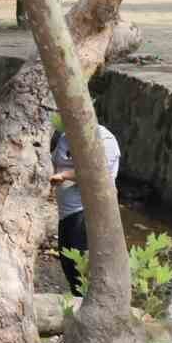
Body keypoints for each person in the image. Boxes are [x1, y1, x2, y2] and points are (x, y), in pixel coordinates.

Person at [50, 120, 122, 294]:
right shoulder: (66, 135)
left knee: (82, 268)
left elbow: (96, 170)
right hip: (66, 214)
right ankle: (78, 304)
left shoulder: (103, 139)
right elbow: (56, 161)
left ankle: (87, 305)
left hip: (88, 213)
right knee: (68, 264)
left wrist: (64, 175)